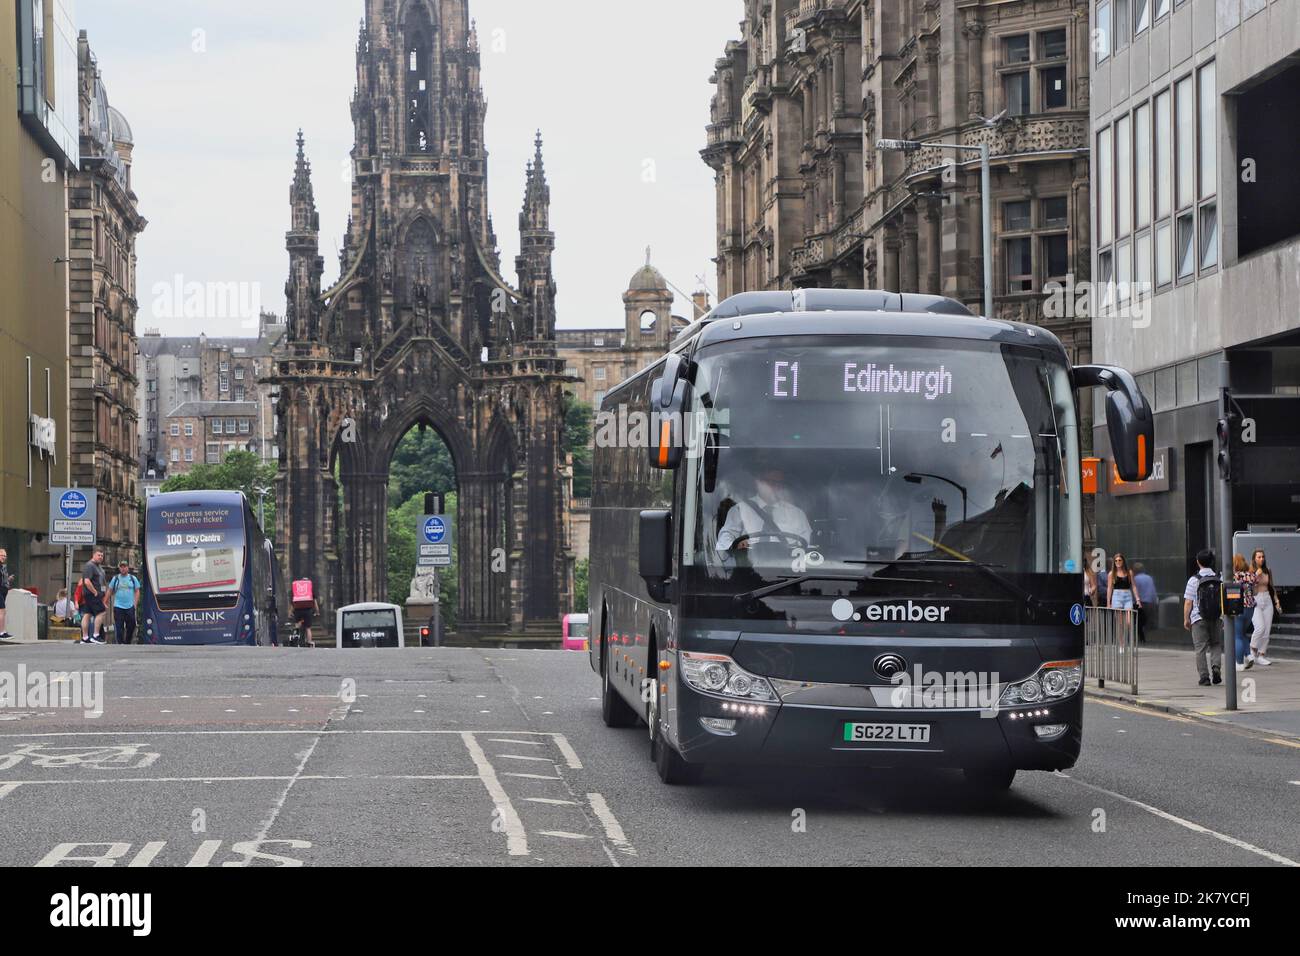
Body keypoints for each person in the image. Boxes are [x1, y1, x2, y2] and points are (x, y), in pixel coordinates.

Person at [716, 467, 811, 552]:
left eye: (779, 483)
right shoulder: (740, 509)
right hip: (749, 566)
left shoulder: (797, 514)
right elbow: (725, 538)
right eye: (770, 482)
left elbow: (808, 544)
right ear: (759, 483)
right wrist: (736, 545)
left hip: (787, 567)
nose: (775, 486)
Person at [1183, 548, 1222, 687]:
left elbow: (1188, 602)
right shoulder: (1219, 578)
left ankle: (1204, 677)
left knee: (1200, 648)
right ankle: (1216, 667)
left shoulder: (1194, 580)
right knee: (1216, 644)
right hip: (1216, 617)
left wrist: (1186, 619)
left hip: (1198, 618)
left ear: (1198, 562)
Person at [1245, 548, 1281, 668]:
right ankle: (1252, 651)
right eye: (1258, 557)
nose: (1261, 559)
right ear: (1254, 559)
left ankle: (1261, 655)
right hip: (1255, 599)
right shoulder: (1250, 570)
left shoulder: (1268, 570)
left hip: (1267, 599)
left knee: (1266, 630)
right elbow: (1247, 587)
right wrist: (1255, 575)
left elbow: (1271, 586)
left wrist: (1276, 601)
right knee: (1260, 627)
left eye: (1262, 557)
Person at [1231, 553, 1257, 666]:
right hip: (1250, 608)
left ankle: (1239, 663)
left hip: (1238, 608)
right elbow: (1255, 591)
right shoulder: (1251, 576)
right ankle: (1249, 655)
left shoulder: (1234, 576)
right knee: (1242, 633)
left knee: (1237, 636)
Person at [108, 561, 142, 646]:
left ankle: (127, 641)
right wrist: (105, 600)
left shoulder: (132, 578)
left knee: (132, 624)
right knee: (119, 626)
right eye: (121, 567)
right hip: (118, 606)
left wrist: (135, 604)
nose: (123, 568)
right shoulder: (115, 578)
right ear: (119, 568)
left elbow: (137, 591)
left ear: (127, 568)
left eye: (125, 566)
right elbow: (110, 590)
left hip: (130, 606)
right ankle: (120, 642)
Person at [79, 549, 108, 645]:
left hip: (95, 595)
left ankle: (85, 638)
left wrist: (103, 595)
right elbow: (86, 581)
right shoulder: (89, 566)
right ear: (93, 555)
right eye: (98, 555)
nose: (100, 557)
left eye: (102, 556)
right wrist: (95, 592)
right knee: (101, 612)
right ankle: (95, 635)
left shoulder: (98, 567)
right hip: (92, 594)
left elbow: (102, 583)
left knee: (87, 614)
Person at [291, 577, 319, 648]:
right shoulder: (310, 591)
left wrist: (290, 612)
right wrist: (317, 612)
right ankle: (309, 641)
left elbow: (292, 602)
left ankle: (296, 634)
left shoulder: (297, 591)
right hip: (307, 611)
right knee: (308, 628)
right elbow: (315, 603)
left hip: (297, 610)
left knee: (298, 624)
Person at [1132, 562, 1157, 643]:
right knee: (1148, 621)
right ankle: (1147, 638)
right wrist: (1154, 601)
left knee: (1139, 622)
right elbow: (1153, 591)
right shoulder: (1149, 578)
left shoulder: (1135, 579)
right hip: (1149, 603)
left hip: (1140, 603)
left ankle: (1140, 638)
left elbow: (1134, 592)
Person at [0, 547, 12, 639]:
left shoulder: (2, 566)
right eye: (2, 555)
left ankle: (3, 631)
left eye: (5, 556)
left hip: (3, 591)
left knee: (3, 612)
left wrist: (8, 579)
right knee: (2, 611)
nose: (4, 557)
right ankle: (1, 633)